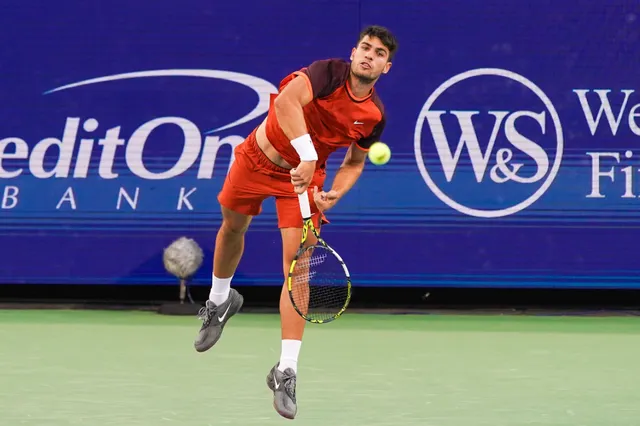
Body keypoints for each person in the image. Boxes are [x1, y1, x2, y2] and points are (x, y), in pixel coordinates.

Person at [194, 25, 398, 419]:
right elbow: (286, 103)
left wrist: (335, 192)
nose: (369, 56)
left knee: (298, 267)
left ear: (386, 67)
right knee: (232, 228)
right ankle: (219, 302)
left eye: (378, 54)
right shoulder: (327, 74)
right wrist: (306, 154)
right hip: (258, 158)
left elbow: (355, 162)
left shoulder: (373, 116)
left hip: (304, 182)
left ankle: (287, 369)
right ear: (353, 51)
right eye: (365, 48)